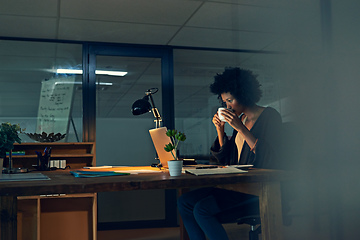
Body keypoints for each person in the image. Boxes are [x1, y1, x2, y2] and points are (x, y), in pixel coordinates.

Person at [177, 67, 283, 240]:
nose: (227, 106)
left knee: (202, 209)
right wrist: (220, 130)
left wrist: (240, 129)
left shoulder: (270, 116)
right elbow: (224, 160)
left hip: (256, 188)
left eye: (230, 100)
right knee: (184, 202)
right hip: (235, 184)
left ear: (244, 95)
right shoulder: (239, 119)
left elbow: (270, 157)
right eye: (225, 101)